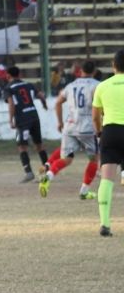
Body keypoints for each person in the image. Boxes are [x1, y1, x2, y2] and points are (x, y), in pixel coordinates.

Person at [39, 61, 100, 199]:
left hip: (70, 126)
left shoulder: (71, 85)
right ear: (94, 71)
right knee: (94, 159)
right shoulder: (97, 85)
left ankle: (48, 176)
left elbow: (58, 103)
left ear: (80, 71)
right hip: (88, 127)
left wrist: (60, 122)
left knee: (66, 159)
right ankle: (84, 192)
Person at [91, 50, 124, 237]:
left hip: (110, 132)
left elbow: (95, 116)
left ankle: (105, 224)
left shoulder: (102, 86)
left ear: (113, 65)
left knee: (107, 179)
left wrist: (99, 132)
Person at [4, 66, 49, 182]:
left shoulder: (9, 88)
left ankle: (29, 173)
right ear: (19, 74)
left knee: (22, 146)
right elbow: (41, 95)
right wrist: (44, 105)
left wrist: (11, 120)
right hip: (34, 116)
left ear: (8, 76)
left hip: (22, 119)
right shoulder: (29, 85)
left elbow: (11, 104)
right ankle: (48, 171)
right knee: (39, 145)